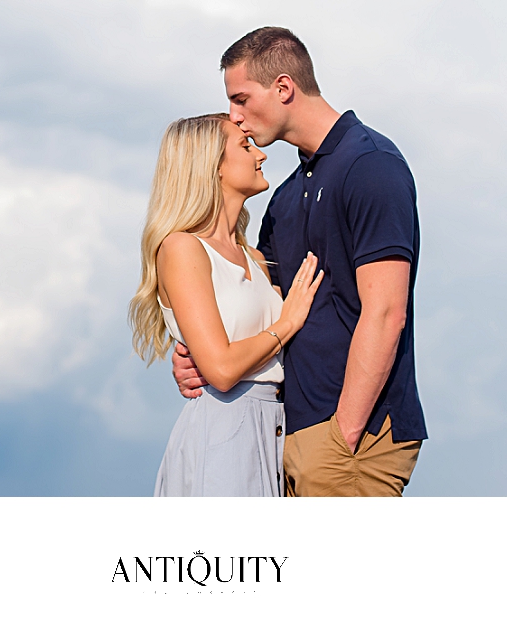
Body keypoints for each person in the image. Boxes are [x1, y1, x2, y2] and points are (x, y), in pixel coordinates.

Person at [173, 27, 428, 496]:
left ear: (284, 88)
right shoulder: (286, 198)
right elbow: (256, 308)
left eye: (242, 98)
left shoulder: (371, 166)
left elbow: (387, 312)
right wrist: (196, 355)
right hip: (284, 439)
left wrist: (341, 437)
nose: (235, 116)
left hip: (351, 439)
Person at [130, 113, 325, 496]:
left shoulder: (254, 256)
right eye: (245, 145)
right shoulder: (182, 248)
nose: (261, 155)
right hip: (225, 431)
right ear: (213, 166)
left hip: (274, 427)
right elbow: (220, 369)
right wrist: (288, 322)